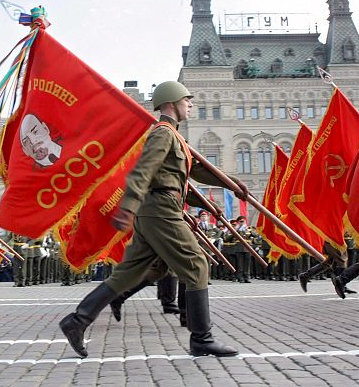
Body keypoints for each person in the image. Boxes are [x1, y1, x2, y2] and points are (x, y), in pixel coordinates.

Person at [59, 80, 248, 358]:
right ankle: (202, 339)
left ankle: (77, 322)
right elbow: (143, 171)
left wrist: (231, 184)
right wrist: (129, 205)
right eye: (187, 101)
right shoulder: (163, 134)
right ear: (172, 103)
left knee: (129, 274)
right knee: (196, 265)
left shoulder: (174, 136)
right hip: (160, 209)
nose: (191, 105)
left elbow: (192, 172)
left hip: (157, 207)